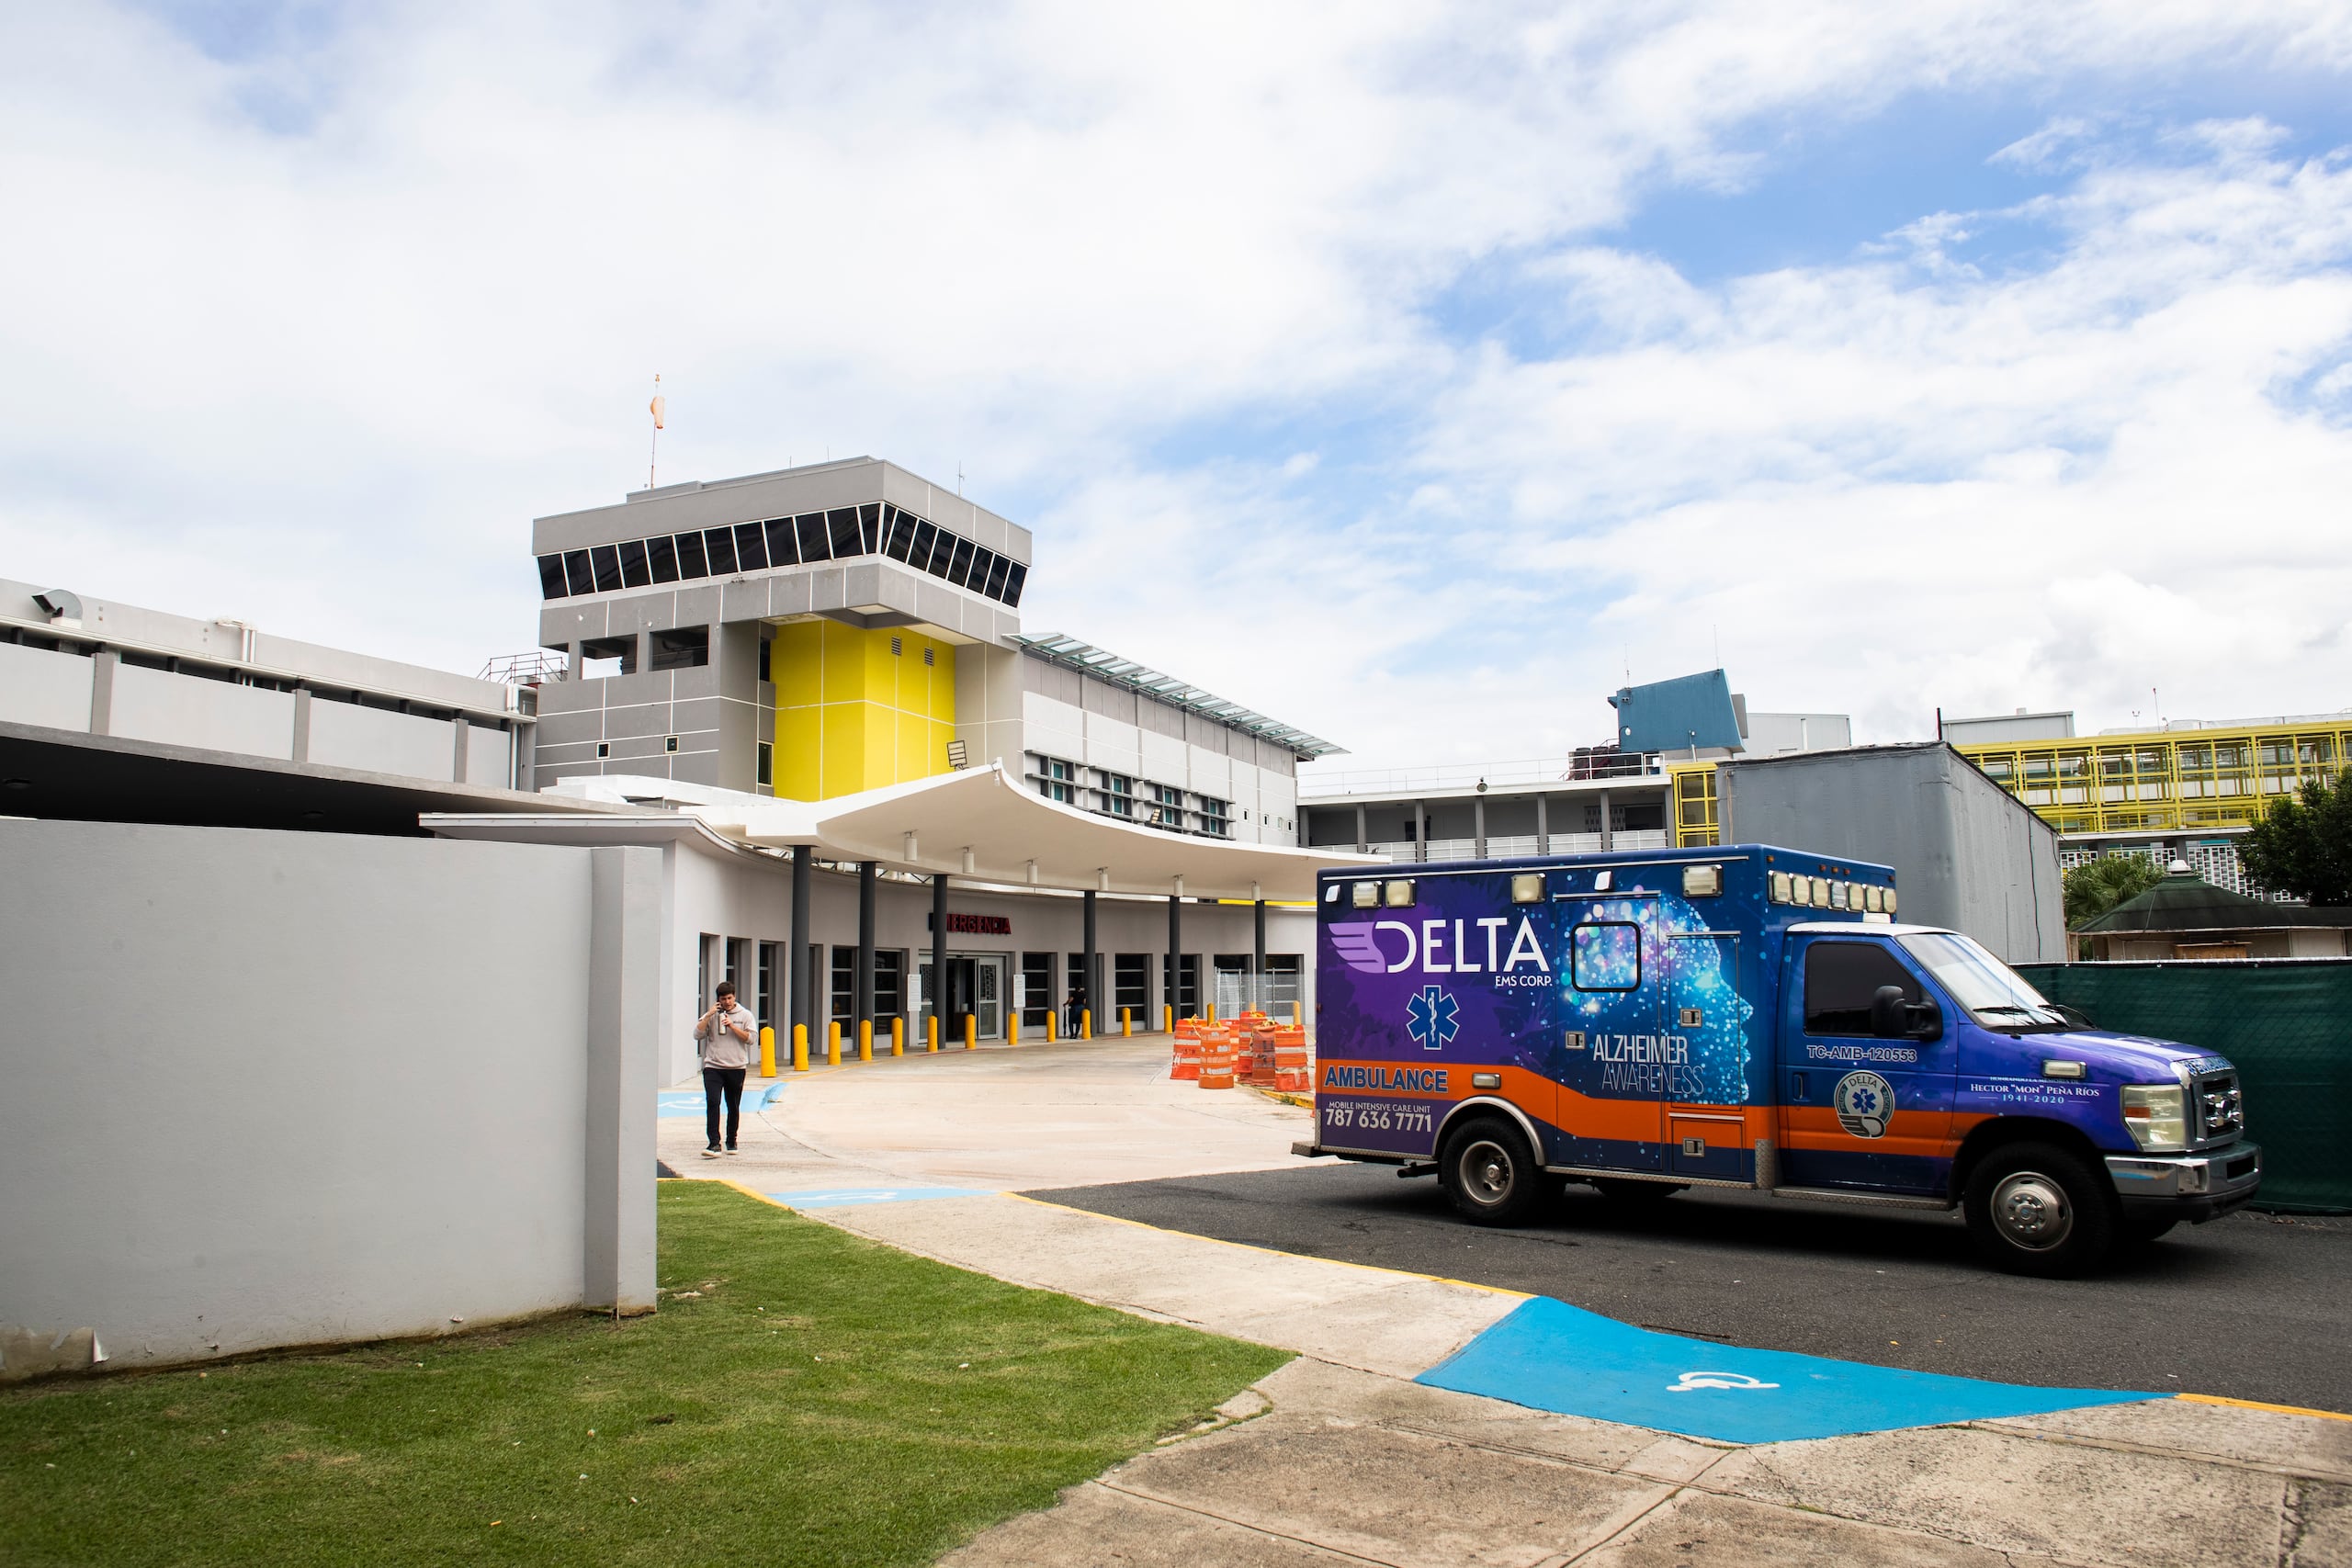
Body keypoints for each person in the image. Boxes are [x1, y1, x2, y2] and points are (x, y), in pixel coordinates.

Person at [695, 982, 755, 1158]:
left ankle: (731, 1140)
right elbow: (697, 1035)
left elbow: (751, 1039)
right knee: (713, 1102)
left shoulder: (745, 1015)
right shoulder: (712, 1015)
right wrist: (709, 1015)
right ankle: (714, 1143)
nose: (727, 1002)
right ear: (718, 1000)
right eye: (723, 999)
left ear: (734, 997)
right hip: (713, 1066)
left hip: (736, 1067)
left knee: (733, 1105)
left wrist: (733, 1027)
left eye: (730, 998)